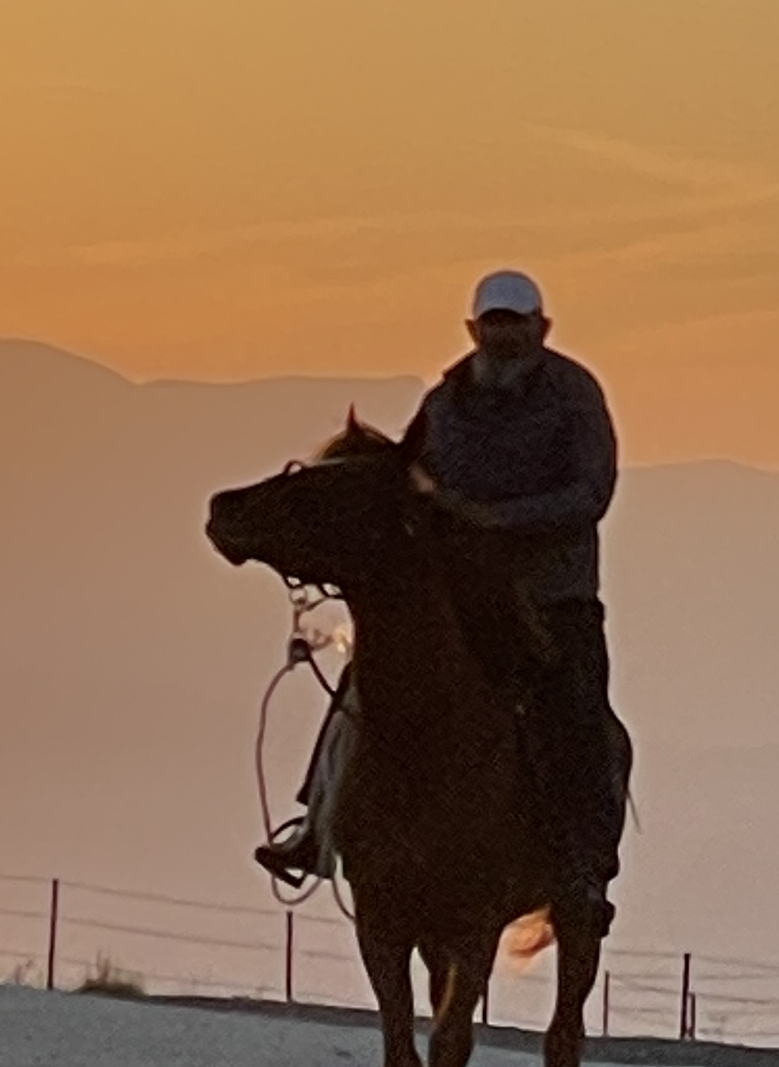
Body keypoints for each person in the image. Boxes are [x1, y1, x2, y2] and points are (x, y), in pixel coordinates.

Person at [255, 271, 629, 920]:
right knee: (363, 687)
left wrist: (497, 520)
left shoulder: (574, 396)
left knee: (577, 710)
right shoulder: (444, 402)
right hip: (455, 592)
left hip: (551, 596)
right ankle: (316, 824)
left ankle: (581, 862)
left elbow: (590, 494)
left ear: (540, 327)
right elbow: (410, 481)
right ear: (474, 329)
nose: (504, 335)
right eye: (494, 324)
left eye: (515, 323)